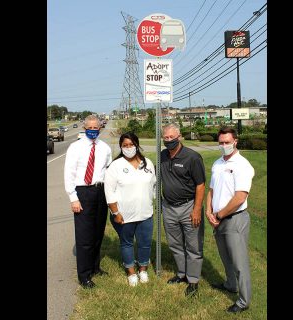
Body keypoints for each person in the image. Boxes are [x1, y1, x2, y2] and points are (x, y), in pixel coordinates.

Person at [205, 127, 255, 313]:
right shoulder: (218, 163)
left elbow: (240, 197)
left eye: (227, 142)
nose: (224, 145)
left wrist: (218, 215)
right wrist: (208, 210)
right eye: (221, 142)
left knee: (239, 262)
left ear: (235, 141)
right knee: (225, 257)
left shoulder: (242, 165)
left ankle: (243, 301)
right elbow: (212, 190)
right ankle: (230, 285)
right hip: (218, 219)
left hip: (235, 219)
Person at [64, 115, 112, 289]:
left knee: (98, 232)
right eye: (89, 127)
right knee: (85, 236)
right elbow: (68, 174)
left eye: (96, 127)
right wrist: (73, 197)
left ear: (100, 128)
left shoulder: (105, 148)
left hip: (101, 191)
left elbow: (108, 170)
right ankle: (84, 276)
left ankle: (95, 267)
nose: (93, 130)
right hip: (83, 192)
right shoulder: (75, 148)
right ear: (84, 128)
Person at [104, 132, 156, 287]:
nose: (128, 148)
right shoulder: (116, 166)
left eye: (131, 144)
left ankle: (143, 270)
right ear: (121, 147)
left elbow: (153, 185)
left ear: (137, 145)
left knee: (144, 243)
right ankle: (131, 272)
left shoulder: (147, 163)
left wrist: (151, 202)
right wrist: (115, 213)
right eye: (125, 145)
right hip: (124, 215)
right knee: (127, 243)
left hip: (145, 213)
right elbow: (109, 191)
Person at [160, 123, 205, 297]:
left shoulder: (192, 157)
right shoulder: (162, 156)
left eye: (172, 137)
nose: (169, 140)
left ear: (179, 137)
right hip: (169, 207)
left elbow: (200, 185)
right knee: (175, 244)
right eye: (166, 138)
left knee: (193, 246)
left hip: (188, 207)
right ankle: (181, 274)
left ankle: (193, 280)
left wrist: (196, 209)